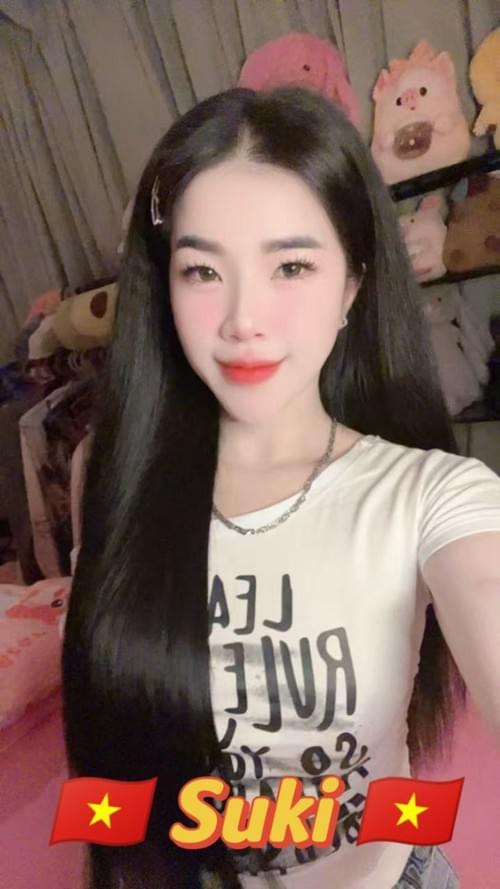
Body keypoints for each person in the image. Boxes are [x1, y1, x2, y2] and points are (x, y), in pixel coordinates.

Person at [62, 86, 500, 889]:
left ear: (353, 284)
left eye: (291, 265)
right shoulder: (113, 472)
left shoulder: (431, 494)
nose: (243, 319)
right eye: (202, 270)